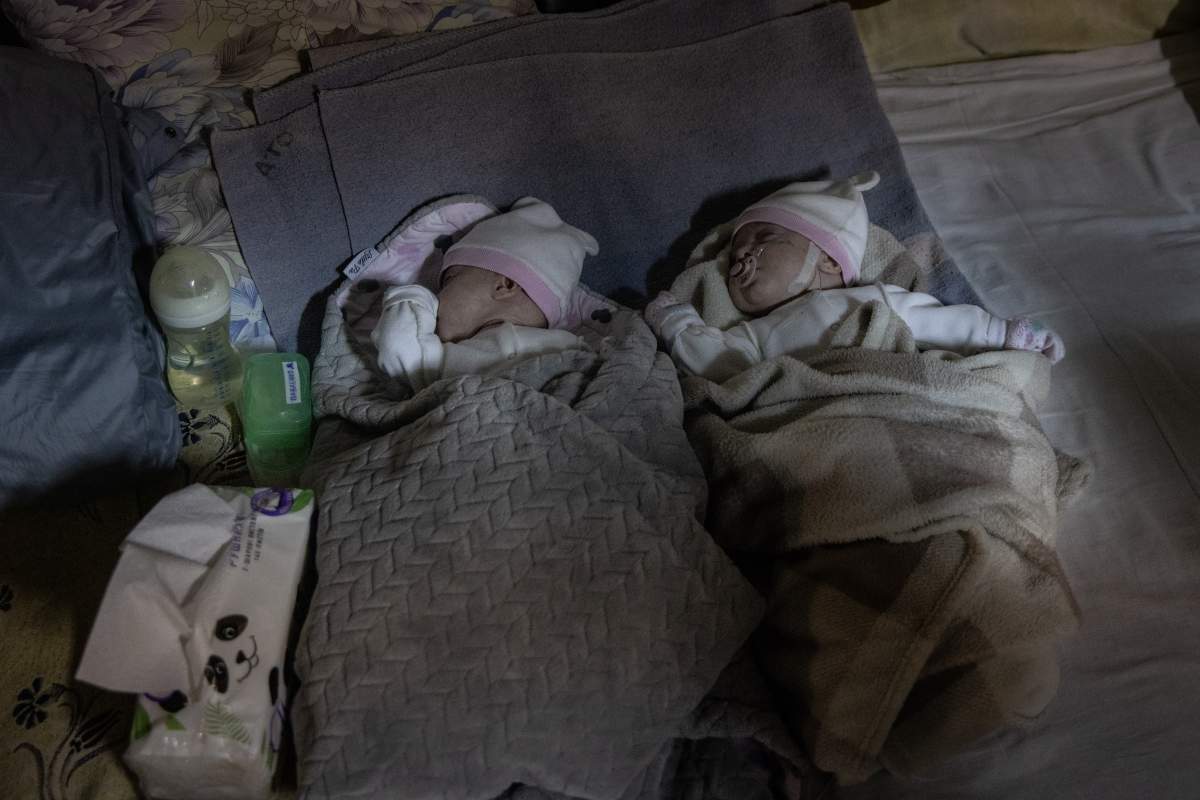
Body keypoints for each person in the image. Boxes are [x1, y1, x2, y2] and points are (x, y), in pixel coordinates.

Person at [645, 172, 1064, 382]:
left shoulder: (868, 302)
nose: (741, 254)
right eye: (736, 247)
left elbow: (934, 320)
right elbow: (718, 362)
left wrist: (1007, 333)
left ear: (828, 261)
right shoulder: (756, 336)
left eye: (764, 238)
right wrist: (677, 321)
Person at [372, 197, 598, 390]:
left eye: (449, 281)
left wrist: (412, 297)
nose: (436, 297)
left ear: (504, 285)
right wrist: (410, 300)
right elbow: (398, 348)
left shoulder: (574, 347)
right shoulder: (443, 359)